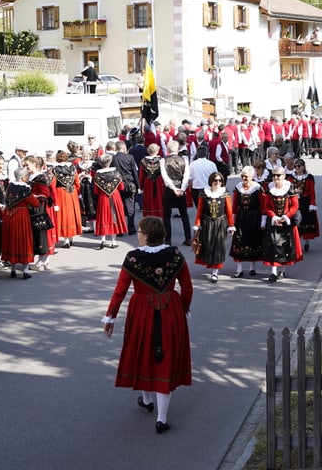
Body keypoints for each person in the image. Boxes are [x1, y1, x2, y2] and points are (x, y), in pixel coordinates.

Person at [102, 217, 192, 435]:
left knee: (144, 351)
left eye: (140, 231)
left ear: (147, 235)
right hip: (170, 310)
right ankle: (160, 418)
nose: (138, 234)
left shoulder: (133, 258)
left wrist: (110, 317)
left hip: (142, 311)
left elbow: (120, 290)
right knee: (166, 359)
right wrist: (183, 308)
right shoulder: (175, 255)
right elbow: (187, 287)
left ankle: (147, 399)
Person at [261, 167, 303, 282]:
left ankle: (282, 270)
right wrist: (273, 216)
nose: (276, 178)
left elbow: (295, 206)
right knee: (273, 245)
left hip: (286, 222)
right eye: (274, 175)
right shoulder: (269, 189)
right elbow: (267, 206)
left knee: (285, 246)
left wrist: (286, 216)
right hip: (274, 221)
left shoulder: (290, 188)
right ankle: (273, 272)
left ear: (283, 176)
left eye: (278, 175)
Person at [192, 171, 234, 283]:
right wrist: (197, 223)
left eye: (220, 180)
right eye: (215, 180)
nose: (217, 182)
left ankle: (215, 272)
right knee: (208, 246)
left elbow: (229, 211)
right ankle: (211, 268)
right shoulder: (204, 193)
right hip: (207, 223)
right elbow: (200, 210)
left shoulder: (225, 193)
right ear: (211, 181)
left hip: (221, 223)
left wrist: (231, 225)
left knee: (218, 247)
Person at [0, 167, 42, 279]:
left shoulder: (10, 186)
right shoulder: (25, 189)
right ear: (23, 177)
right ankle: (25, 271)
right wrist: (37, 198)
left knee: (11, 240)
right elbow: (35, 203)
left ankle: (13, 269)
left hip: (9, 216)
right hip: (21, 216)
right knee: (24, 240)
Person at [229, 166, 265, 277]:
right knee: (239, 241)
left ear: (251, 177)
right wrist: (232, 222)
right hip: (241, 217)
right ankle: (239, 269)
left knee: (253, 241)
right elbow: (234, 206)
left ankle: (252, 267)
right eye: (242, 176)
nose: (244, 178)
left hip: (254, 217)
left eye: (246, 176)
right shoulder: (238, 187)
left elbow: (263, 205)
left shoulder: (258, 188)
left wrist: (263, 221)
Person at [160, 140, 191, 246]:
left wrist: (173, 188)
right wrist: (182, 189)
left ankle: (168, 240)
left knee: (166, 215)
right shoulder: (184, 160)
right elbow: (186, 177)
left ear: (168, 149)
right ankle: (188, 238)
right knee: (184, 214)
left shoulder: (163, 161)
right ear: (177, 149)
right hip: (180, 189)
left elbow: (165, 177)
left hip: (169, 190)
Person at [93, 153, 126, 250]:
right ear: (110, 162)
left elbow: (95, 191)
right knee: (113, 217)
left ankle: (103, 239)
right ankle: (113, 241)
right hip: (115, 197)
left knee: (103, 217)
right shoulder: (116, 174)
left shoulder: (97, 175)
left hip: (103, 197)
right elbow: (121, 187)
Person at [51, 151, 81, 249]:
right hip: (72, 192)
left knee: (63, 216)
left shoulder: (54, 170)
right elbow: (77, 182)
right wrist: (76, 191)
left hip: (60, 192)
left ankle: (66, 240)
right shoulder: (73, 168)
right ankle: (71, 238)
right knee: (71, 214)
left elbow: (53, 185)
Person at [289, 159, 319, 252]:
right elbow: (288, 190)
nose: (297, 168)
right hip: (295, 202)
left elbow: (312, 192)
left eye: (299, 166)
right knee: (297, 222)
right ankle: (298, 244)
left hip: (306, 202)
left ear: (303, 166)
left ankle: (306, 242)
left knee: (306, 222)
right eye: (295, 166)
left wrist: (312, 204)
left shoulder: (309, 177)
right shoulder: (290, 177)